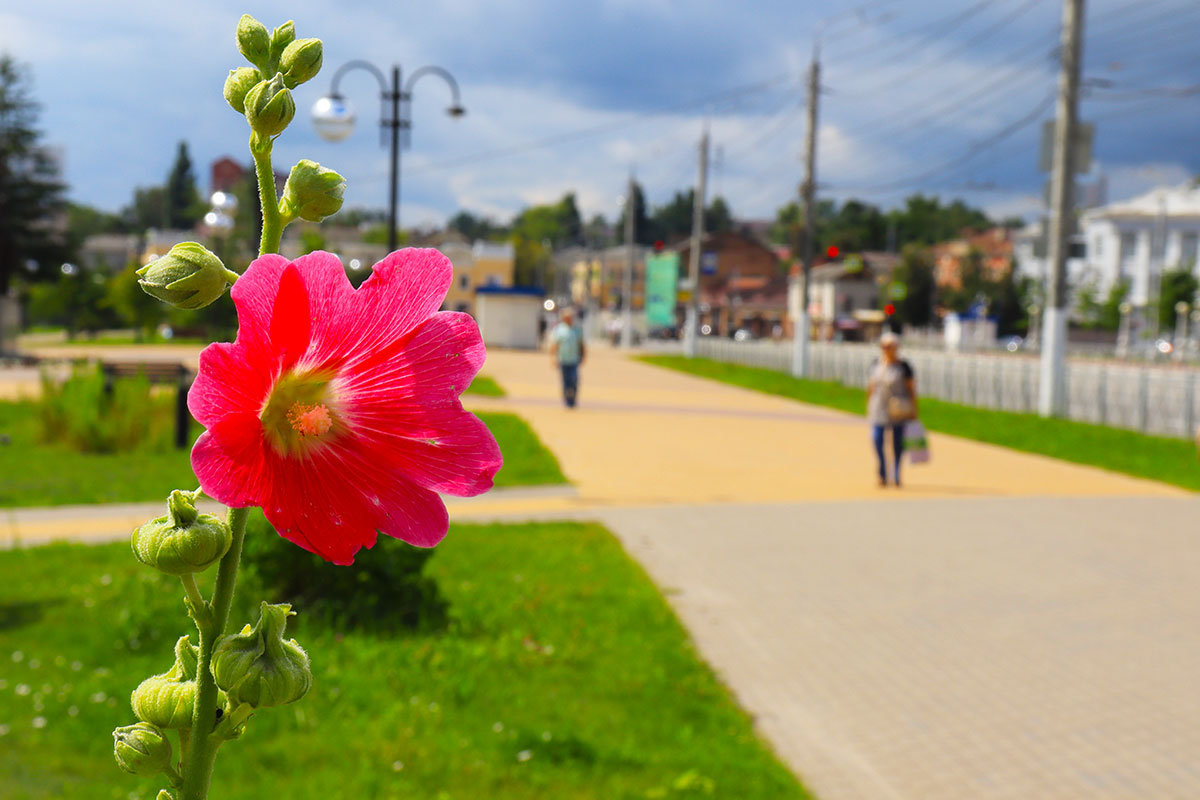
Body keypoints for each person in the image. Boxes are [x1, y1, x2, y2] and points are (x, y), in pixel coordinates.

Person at [865, 331, 918, 487]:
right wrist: (868, 405)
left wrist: (914, 410)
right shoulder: (876, 364)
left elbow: (911, 389)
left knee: (897, 444)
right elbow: (871, 387)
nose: (886, 349)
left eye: (889, 346)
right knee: (877, 440)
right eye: (883, 346)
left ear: (896, 347)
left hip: (898, 409)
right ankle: (882, 471)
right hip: (878, 409)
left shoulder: (904, 366)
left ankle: (895, 474)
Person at [549, 307, 585, 408]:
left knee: (574, 380)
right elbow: (555, 345)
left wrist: (583, 356)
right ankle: (566, 399)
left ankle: (573, 398)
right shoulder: (559, 330)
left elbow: (581, 344)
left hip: (574, 360)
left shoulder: (577, 329)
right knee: (565, 381)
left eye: (570, 317)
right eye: (567, 317)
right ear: (564, 318)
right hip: (563, 359)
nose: (569, 319)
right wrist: (552, 359)